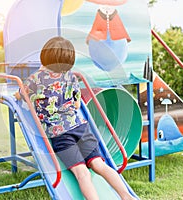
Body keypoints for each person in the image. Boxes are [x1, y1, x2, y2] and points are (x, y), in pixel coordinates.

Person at [14, 36, 136, 200]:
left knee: (82, 173)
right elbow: (77, 105)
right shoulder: (71, 76)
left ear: (44, 57)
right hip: (81, 128)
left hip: (61, 135)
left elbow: (20, 94)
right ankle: (125, 196)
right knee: (99, 164)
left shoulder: (35, 79)